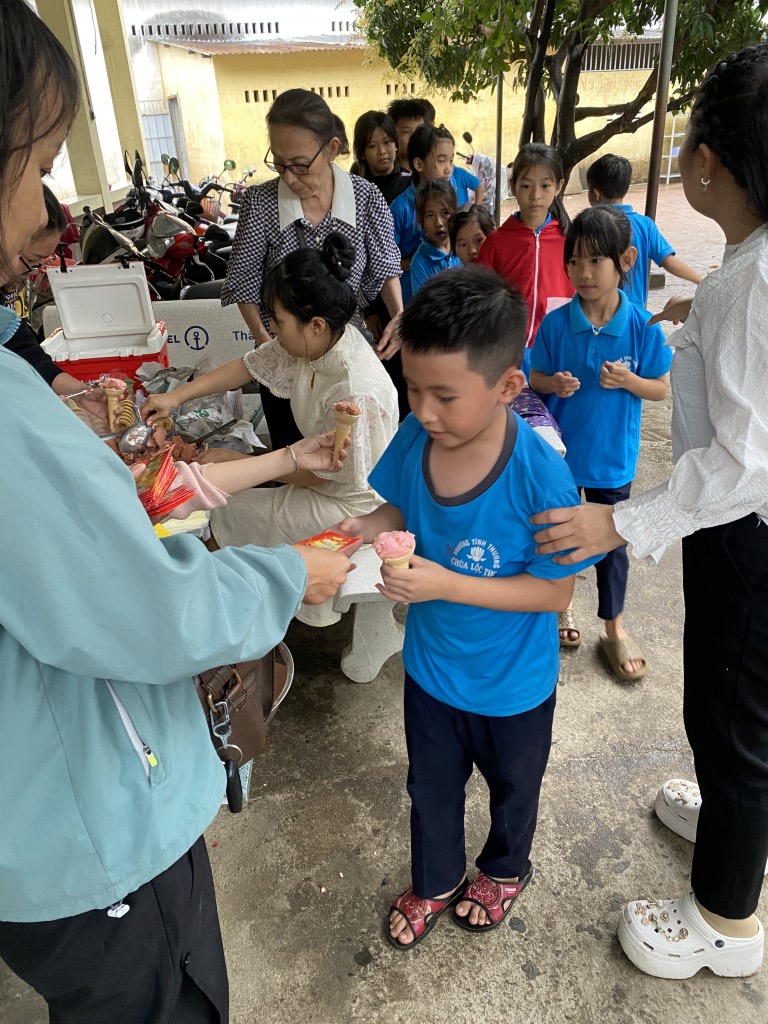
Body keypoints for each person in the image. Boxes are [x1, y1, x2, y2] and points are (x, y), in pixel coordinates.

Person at [0, 4, 353, 1021]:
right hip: (95, 838)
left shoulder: (354, 379)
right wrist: (291, 574)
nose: (47, 212)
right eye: (39, 166)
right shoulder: (16, 418)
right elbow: (153, 608)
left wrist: (260, 468)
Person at [532, 44, 768, 979]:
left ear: (707, 161)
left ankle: (726, 920)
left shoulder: (752, 281)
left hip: (747, 536)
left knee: (735, 719)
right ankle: (734, 824)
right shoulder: (743, 269)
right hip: (734, 530)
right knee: (725, 703)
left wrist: (624, 522)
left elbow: (743, 462)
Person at [334, 265, 600, 949]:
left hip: (513, 686)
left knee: (515, 789)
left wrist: (446, 583)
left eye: (444, 396)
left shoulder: (542, 476)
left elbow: (555, 591)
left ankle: (505, 870)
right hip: (432, 673)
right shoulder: (418, 438)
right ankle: (437, 879)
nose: (424, 411)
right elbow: (398, 507)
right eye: (413, 389)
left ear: (509, 386)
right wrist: (365, 527)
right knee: (430, 790)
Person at [144, 235, 399, 627]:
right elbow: (248, 365)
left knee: (226, 513)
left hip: (354, 506)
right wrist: (175, 397)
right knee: (226, 506)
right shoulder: (320, 342)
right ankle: (218, 608)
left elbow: (329, 478)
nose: (272, 331)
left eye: (278, 322)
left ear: (315, 325)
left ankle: (207, 618)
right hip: (323, 482)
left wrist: (241, 461)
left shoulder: (354, 390)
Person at [530, 207, 671, 674]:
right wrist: (553, 384)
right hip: (562, 458)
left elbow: (660, 388)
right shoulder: (556, 323)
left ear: (625, 260)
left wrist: (631, 381)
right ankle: (561, 606)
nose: (583, 273)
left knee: (614, 545)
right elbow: (534, 375)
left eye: (595, 260)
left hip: (613, 459)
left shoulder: (643, 325)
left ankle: (614, 628)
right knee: (557, 533)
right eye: (574, 261)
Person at [220, 88, 403, 451]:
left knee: (348, 458)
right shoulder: (261, 203)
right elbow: (244, 281)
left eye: (300, 165)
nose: (289, 178)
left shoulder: (366, 198)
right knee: (291, 459)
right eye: (279, 164)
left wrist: (399, 315)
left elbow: (385, 266)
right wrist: (266, 343)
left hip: (346, 360)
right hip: (284, 359)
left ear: (332, 148)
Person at [478, 143, 573, 377]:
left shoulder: (570, 240)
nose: (535, 195)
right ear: (513, 186)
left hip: (558, 350)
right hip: (507, 354)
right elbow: (479, 297)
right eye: (526, 185)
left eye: (545, 185)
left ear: (559, 186)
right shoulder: (496, 242)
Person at [586, 153, 703, 307]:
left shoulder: (588, 225)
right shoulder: (645, 225)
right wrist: (701, 280)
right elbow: (669, 262)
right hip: (635, 311)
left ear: (596, 193)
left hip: (597, 311)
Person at [391, 124, 482, 305]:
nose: (449, 169)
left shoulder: (454, 195)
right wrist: (413, 262)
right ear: (419, 164)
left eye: (451, 161)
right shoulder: (399, 208)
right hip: (413, 299)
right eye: (441, 161)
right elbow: (386, 263)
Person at [408, 179, 461, 295]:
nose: (439, 223)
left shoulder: (463, 246)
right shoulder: (419, 263)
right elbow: (424, 305)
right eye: (430, 215)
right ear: (419, 219)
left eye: (445, 213)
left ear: (455, 214)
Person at [351, 110, 410, 206]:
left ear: (396, 145)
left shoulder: (411, 184)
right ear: (362, 154)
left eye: (386, 142)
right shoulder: (357, 190)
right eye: (372, 146)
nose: (382, 151)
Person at [387, 97, 435, 171]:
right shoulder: (386, 174)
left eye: (419, 130)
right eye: (406, 132)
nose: (414, 136)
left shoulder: (437, 172)